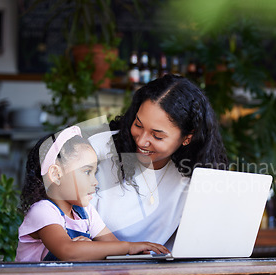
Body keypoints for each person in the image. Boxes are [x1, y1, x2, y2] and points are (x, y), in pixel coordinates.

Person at [89, 74, 228, 246]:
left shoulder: (194, 175)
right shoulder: (97, 150)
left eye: (157, 136)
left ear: (187, 137)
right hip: (91, 267)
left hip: (154, 271)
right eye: (138, 125)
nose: (141, 141)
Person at [15, 125, 169, 261]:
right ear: (56, 174)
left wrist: (136, 252)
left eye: (95, 172)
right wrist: (127, 247)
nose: (95, 182)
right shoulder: (43, 211)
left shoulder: (86, 213)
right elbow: (68, 252)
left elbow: (114, 248)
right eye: (87, 171)